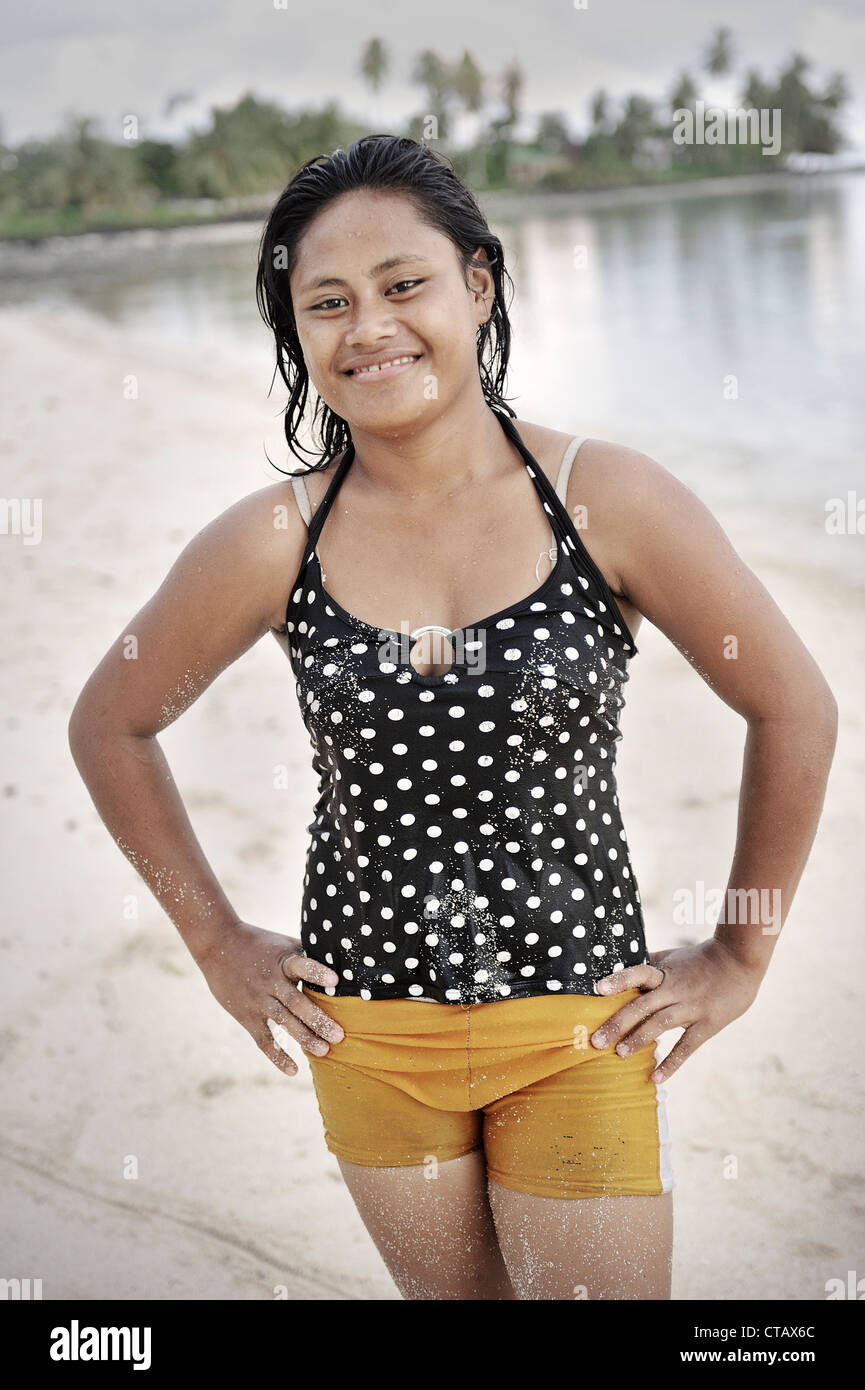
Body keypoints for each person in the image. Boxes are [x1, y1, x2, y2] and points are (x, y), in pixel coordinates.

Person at [68, 134, 838, 1302]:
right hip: (366, 1033)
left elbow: (793, 706)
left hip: (581, 1024)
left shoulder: (603, 499)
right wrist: (217, 944)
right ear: (298, 334)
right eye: (326, 303)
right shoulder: (279, 538)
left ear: (477, 285)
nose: (367, 326)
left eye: (402, 284)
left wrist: (740, 952)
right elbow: (110, 724)